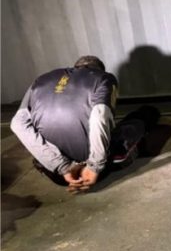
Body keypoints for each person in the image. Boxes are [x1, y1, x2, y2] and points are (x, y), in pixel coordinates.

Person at [10, 56, 159, 192]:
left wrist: (62, 167)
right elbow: (99, 117)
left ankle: (54, 163)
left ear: (76, 67)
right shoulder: (104, 78)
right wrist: (95, 166)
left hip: (58, 174)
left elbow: (17, 123)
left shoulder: (40, 80)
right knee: (145, 115)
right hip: (91, 173)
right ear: (99, 69)